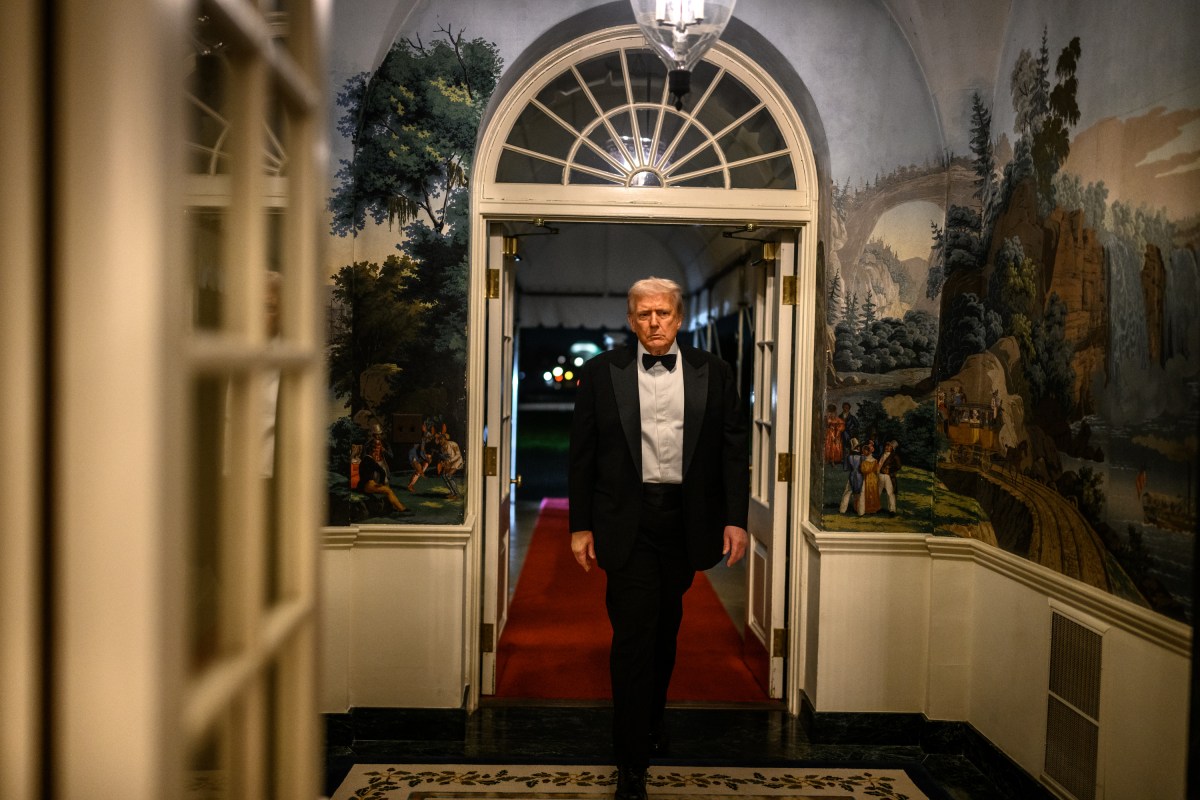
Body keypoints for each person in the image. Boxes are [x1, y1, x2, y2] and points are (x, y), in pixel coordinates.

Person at [569, 277, 749, 800]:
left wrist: (735, 519)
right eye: (644, 314)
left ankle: (652, 719)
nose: (654, 323)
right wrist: (580, 525)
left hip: (686, 522)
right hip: (626, 522)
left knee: (666, 629)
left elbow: (731, 453)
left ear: (680, 317)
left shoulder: (715, 372)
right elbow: (581, 456)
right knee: (631, 638)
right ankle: (631, 764)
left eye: (663, 314)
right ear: (631, 320)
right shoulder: (601, 374)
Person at [838, 438, 863, 513]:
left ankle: (842, 509)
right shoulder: (861, 457)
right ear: (857, 447)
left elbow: (845, 468)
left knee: (848, 492)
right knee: (859, 493)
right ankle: (859, 510)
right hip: (859, 476)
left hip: (852, 475)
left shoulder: (848, 457)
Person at [877, 440, 902, 514]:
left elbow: (898, 466)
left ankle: (892, 510)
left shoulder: (894, 456)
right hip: (880, 475)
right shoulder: (882, 454)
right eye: (886, 446)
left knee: (890, 493)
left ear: (892, 448)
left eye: (889, 446)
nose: (887, 447)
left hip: (888, 477)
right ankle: (875, 507)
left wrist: (889, 470)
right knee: (877, 492)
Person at [858, 442, 881, 514]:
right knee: (869, 492)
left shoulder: (866, 461)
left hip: (868, 478)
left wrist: (862, 467)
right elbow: (876, 470)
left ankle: (869, 508)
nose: (864, 452)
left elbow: (864, 470)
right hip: (872, 478)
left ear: (869, 451)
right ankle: (867, 508)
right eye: (863, 450)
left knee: (867, 492)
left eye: (865, 450)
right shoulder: (874, 461)